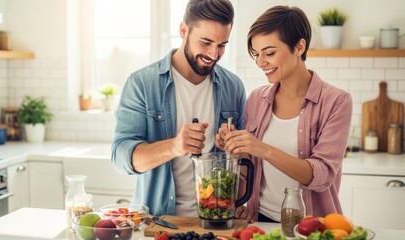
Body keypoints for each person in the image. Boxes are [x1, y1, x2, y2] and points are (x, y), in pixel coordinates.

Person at [215, 5, 352, 223]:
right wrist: (235, 147)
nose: (261, 62)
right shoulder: (257, 99)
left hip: (312, 226)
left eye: (269, 53)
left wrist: (262, 148)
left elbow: (322, 175)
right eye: (256, 54)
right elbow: (249, 168)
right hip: (260, 221)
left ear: (299, 47)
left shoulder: (336, 101)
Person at [111, 0, 246, 217]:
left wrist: (233, 149)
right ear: (184, 30)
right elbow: (120, 157)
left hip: (216, 222)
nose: (213, 54)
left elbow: (242, 160)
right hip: (158, 221)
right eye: (206, 42)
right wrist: (174, 146)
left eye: (222, 45)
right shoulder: (142, 83)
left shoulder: (234, 87)